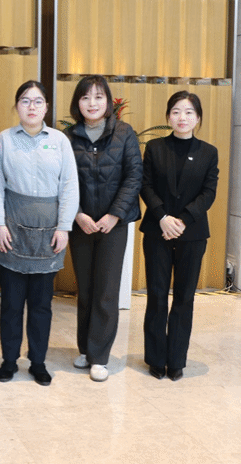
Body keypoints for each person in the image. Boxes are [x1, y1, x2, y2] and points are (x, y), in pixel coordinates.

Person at [0, 80, 78, 386]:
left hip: (49, 232)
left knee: (41, 304)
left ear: (46, 107)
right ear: (17, 106)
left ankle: (38, 361)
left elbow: (69, 186)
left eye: (38, 101)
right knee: (11, 303)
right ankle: (9, 360)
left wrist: (64, 227)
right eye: (25, 101)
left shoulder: (59, 141)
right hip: (11, 229)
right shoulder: (4, 139)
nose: (31, 106)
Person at [66, 76, 142, 382]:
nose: (92, 103)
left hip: (114, 225)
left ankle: (100, 357)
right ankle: (86, 350)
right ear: (77, 103)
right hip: (81, 224)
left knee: (106, 291)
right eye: (86, 97)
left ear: (109, 102)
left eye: (99, 97)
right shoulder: (68, 137)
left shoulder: (124, 133)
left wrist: (114, 215)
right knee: (85, 289)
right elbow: (62, 180)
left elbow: (134, 176)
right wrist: (78, 214)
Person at [140, 91, 218, 382]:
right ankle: (155, 359)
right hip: (157, 230)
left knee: (184, 297)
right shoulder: (155, 147)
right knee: (157, 295)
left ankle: (176, 360)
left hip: (192, 234)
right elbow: (146, 185)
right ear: (168, 116)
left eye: (188, 112)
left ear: (198, 118)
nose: (182, 117)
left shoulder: (208, 152)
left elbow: (208, 192)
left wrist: (182, 220)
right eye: (176, 111)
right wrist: (162, 217)